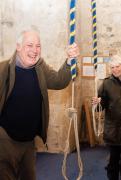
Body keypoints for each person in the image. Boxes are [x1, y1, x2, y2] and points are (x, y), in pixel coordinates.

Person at [0, 29, 79, 180]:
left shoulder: (40, 68)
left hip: (29, 142)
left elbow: (59, 80)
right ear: (18, 46)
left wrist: (70, 61)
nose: (34, 50)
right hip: (5, 141)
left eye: (38, 46)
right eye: (29, 45)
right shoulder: (3, 70)